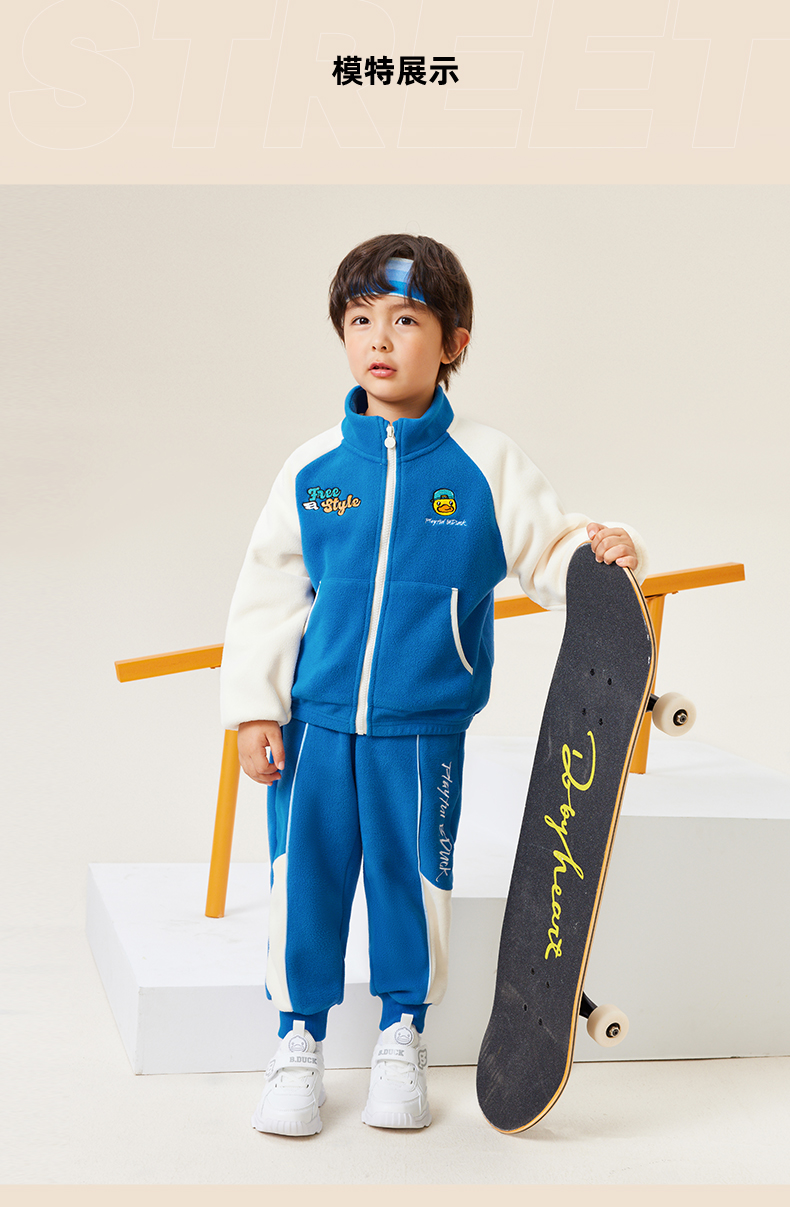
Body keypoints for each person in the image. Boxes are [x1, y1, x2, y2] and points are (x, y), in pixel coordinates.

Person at [220, 233, 646, 1136]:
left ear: (453, 342)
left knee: (413, 886)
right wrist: (255, 707)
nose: (379, 338)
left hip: (422, 731)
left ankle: (401, 1036)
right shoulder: (312, 468)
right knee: (304, 882)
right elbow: (267, 590)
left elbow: (549, 546)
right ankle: (297, 1040)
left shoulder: (484, 463)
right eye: (360, 318)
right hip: (315, 727)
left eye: (406, 319)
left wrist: (601, 550)